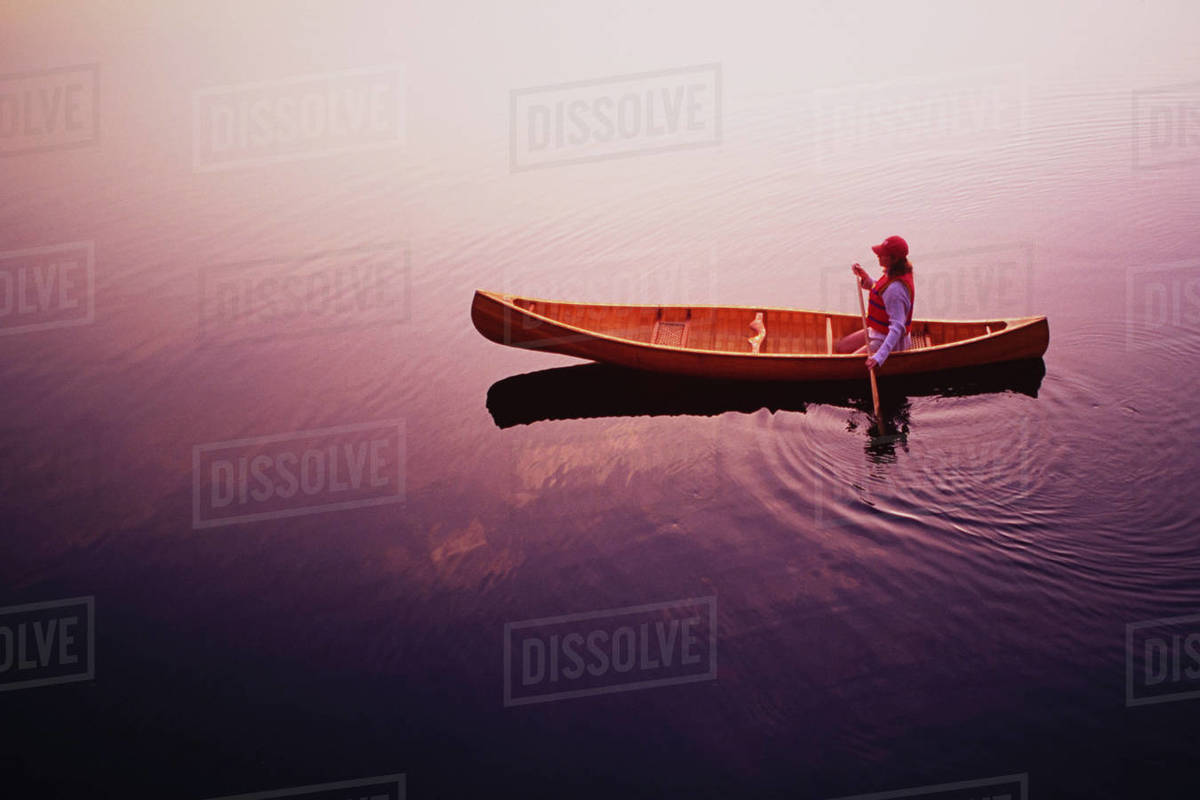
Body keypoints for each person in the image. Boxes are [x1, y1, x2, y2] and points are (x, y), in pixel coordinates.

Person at [834, 235, 915, 368]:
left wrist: (879, 357)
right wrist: (867, 280)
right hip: (878, 331)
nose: (878, 256)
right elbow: (882, 291)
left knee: (845, 365)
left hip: (889, 341)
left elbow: (897, 328)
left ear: (893, 259)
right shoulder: (893, 274)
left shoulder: (896, 289)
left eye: (882, 254)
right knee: (842, 347)